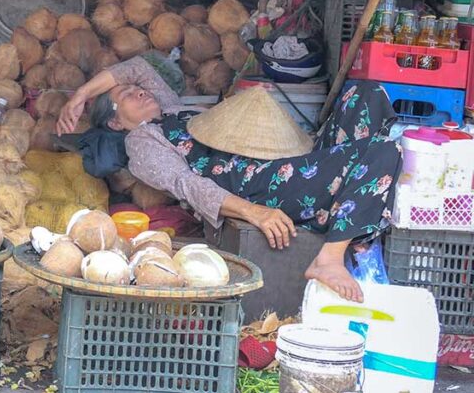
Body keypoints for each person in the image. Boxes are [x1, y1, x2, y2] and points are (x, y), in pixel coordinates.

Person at [57, 55, 402, 303]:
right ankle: (330, 257)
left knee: (365, 95)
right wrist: (254, 212)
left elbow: (138, 68)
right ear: (115, 123)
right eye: (126, 95)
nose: (139, 91)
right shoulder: (141, 143)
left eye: (137, 90)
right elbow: (189, 187)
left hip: (282, 162)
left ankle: (348, 209)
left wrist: (80, 94)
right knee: (383, 152)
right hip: (256, 185)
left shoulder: (171, 109)